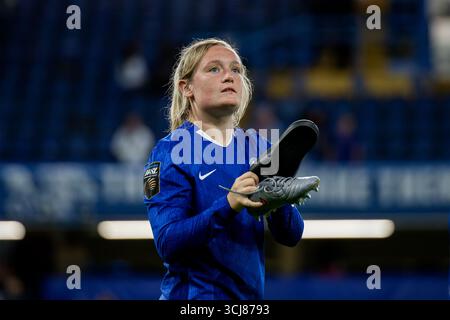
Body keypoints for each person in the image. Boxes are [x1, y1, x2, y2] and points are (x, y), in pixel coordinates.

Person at [143, 38, 314, 300]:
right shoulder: (171, 152)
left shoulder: (259, 147)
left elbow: (291, 235)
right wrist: (229, 204)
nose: (229, 77)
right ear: (186, 87)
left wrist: (278, 203)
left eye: (236, 70)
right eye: (214, 69)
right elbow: (168, 243)